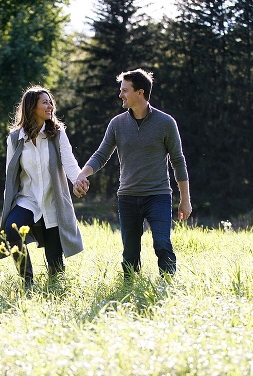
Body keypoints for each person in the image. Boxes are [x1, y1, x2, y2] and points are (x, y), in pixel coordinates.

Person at [73, 68, 191, 278]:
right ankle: (129, 289)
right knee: (130, 254)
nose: (120, 95)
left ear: (140, 92)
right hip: (128, 197)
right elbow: (101, 155)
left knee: (162, 243)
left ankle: (168, 285)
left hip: (158, 196)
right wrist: (83, 174)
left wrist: (185, 199)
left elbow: (178, 161)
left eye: (125, 90)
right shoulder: (117, 124)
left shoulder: (166, 123)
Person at [0, 86, 84, 287]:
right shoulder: (15, 138)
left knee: (55, 262)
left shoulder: (57, 134)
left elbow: (69, 163)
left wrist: (78, 180)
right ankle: (27, 282)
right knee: (11, 232)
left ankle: (56, 289)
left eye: (50, 101)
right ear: (31, 107)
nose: (50, 105)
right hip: (27, 200)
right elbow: (10, 176)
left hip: (53, 202)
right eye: (45, 102)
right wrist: (8, 204)